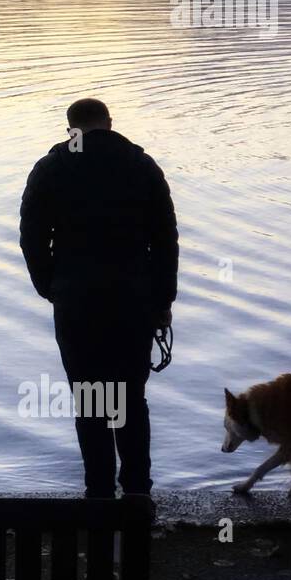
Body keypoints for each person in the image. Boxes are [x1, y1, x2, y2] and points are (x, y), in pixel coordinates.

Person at [19, 98, 178, 499]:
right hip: (133, 299)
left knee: (90, 396)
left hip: (76, 300)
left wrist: (50, 287)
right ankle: (138, 491)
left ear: (70, 128)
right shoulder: (141, 166)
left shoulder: (51, 169)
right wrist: (162, 300)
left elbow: (33, 238)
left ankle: (99, 492)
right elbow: (165, 241)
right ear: (109, 123)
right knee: (129, 396)